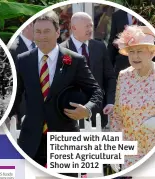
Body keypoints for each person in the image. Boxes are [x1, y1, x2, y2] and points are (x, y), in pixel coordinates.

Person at [9, 10, 103, 177]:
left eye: (47, 31)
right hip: (31, 140)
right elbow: (14, 95)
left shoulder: (75, 60)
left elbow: (96, 91)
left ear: (58, 32)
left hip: (65, 139)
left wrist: (87, 109)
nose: (41, 36)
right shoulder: (23, 60)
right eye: (37, 32)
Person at [110, 25, 155, 170]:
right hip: (131, 154)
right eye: (131, 52)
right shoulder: (124, 76)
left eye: (139, 51)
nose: (135, 56)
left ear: (151, 53)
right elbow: (118, 115)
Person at [60, 12, 116, 128]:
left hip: (98, 112)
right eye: (87, 26)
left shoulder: (100, 47)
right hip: (72, 112)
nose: (90, 29)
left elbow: (109, 77)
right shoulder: (62, 50)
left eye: (91, 25)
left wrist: (110, 101)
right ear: (74, 28)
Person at [9, 23, 35, 126]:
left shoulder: (42, 47)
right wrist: (12, 112)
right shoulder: (12, 49)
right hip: (22, 110)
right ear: (27, 26)